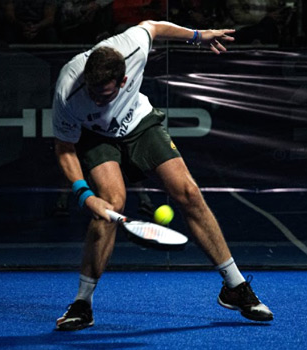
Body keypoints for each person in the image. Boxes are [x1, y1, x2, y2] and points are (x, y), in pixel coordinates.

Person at [51, 20, 273, 331]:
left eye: (105, 95)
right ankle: (82, 304)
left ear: (123, 79)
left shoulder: (133, 47)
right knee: (110, 206)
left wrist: (198, 36)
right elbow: (64, 148)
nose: (97, 100)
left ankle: (235, 287)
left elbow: (153, 26)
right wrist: (83, 194)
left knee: (189, 192)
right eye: (93, 94)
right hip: (96, 137)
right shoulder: (68, 88)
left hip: (139, 123)